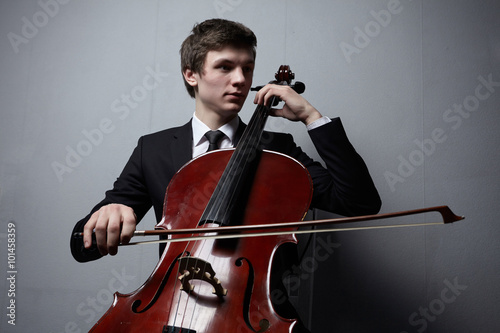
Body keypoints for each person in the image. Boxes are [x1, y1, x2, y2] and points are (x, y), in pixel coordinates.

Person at [70, 18, 381, 332]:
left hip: (251, 313)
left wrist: (312, 118)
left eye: (247, 68)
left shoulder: (279, 153)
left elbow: (359, 202)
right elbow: (82, 248)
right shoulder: (153, 150)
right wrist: (107, 214)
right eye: (225, 67)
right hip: (167, 308)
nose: (240, 80)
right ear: (191, 74)